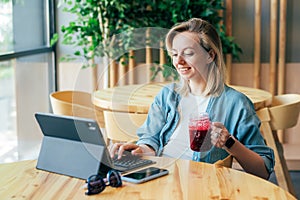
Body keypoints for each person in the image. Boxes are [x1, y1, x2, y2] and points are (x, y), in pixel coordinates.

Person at [110, 18, 274, 179]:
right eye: (174, 54)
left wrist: (229, 143)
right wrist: (141, 150)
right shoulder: (167, 95)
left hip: (198, 182)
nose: (179, 61)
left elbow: (263, 171)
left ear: (210, 55)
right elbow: (151, 139)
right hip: (158, 176)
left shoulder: (236, 103)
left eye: (188, 53)